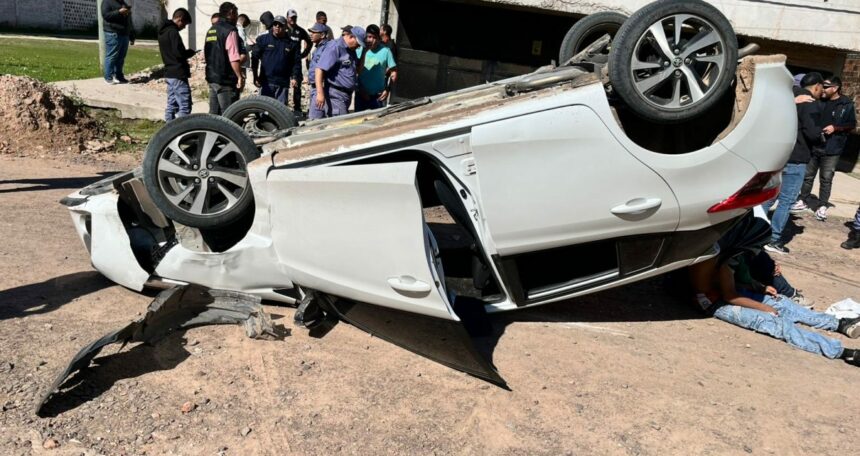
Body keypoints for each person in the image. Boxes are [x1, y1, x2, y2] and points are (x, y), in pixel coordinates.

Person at [690, 255, 860, 366]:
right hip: (714, 302)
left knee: (782, 302)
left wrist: (761, 288)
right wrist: (763, 307)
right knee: (775, 323)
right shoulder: (715, 257)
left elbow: (736, 283)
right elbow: (730, 296)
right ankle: (842, 352)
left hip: (729, 290)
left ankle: (838, 323)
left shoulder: (735, 252)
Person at [762, 72, 824, 255]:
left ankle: (755, 233)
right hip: (797, 157)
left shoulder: (785, 97)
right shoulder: (810, 103)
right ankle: (773, 240)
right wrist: (820, 137)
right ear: (817, 86)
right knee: (786, 201)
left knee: (769, 197)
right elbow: (812, 133)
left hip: (779, 155)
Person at [793, 76, 857, 221]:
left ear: (835, 89)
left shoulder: (845, 104)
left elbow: (852, 124)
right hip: (815, 144)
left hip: (832, 147)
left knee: (826, 178)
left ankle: (822, 205)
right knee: (808, 175)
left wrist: (836, 128)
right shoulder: (818, 101)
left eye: (826, 86)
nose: (823, 88)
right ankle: (803, 199)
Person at [310, 25, 366, 120]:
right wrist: (320, 93)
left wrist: (365, 51)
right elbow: (319, 69)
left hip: (345, 96)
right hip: (335, 95)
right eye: (358, 43)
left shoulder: (351, 50)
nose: (358, 47)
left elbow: (358, 70)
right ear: (351, 36)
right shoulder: (335, 47)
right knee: (339, 126)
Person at [205, 2, 245, 115]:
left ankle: (211, 132)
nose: (237, 17)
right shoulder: (230, 30)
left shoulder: (211, 30)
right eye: (236, 14)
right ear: (231, 13)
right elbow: (233, 57)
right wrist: (239, 76)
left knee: (213, 113)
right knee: (229, 114)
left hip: (212, 78)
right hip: (225, 80)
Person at [251, 15, 301, 105]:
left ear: (285, 27)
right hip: (266, 82)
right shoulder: (263, 39)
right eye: (275, 24)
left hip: (282, 84)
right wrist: (255, 76)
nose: (277, 27)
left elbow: (296, 62)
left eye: (280, 25)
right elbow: (254, 57)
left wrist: (294, 77)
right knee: (264, 110)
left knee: (280, 113)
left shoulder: (292, 44)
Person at [158, 8, 196, 121]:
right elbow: (179, 53)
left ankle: (168, 130)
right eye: (184, 24)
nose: (184, 27)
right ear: (179, 19)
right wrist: (190, 52)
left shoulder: (163, 31)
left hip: (169, 73)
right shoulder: (173, 32)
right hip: (178, 73)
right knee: (184, 106)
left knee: (172, 104)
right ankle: (183, 131)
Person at [355, 24, 397, 112]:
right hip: (361, 96)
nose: (370, 40)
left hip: (378, 98)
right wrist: (359, 88)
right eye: (368, 37)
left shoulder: (386, 51)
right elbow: (354, 72)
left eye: (373, 37)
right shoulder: (359, 50)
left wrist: (388, 89)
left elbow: (393, 72)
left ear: (378, 38)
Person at [285, 9, 312, 115]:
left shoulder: (300, 31)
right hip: (284, 61)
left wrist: (304, 54)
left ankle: (297, 109)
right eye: (291, 17)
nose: (293, 19)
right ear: (287, 17)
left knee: (297, 85)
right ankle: (283, 107)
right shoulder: (283, 29)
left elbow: (309, 42)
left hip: (296, 62)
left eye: (295, 17)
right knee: (284, 85)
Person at [101, 0, 134, 85]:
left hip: (125, 34)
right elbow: (106, 16)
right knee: (112, 55)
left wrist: (132, 34)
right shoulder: (107, 2)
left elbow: (129, 20)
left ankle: (119, 76)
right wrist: (119, 12)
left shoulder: (123, 3)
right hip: (113, 32)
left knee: (121, 57)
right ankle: (108, 77)